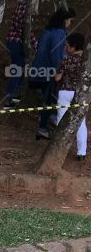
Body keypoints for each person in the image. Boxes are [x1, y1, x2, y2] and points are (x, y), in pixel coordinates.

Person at [33, 7, 76, 140]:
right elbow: (57, 55)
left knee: (48, 99)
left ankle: (46, 122)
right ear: (64, 20)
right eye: (69, 20)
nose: (70, 23)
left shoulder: (47, 30)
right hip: (50, 71)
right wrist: (60, 70)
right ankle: (43, 128)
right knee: (50, 99)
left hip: (39, 69)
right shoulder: (59, 33)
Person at [51, 31, 87, 160]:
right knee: (81, 122)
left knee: (61, 120)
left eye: (67, 45)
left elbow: (57, 78)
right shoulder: (86, 61)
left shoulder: (66, 59)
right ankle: (81, 152)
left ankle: (58, 150)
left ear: (73, 46)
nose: (66, 48)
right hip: (80, 94)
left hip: (65, 92)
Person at [4, 0, 39, 106]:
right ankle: (10, 97)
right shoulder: (24, 10)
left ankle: (14, 97)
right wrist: (35, 44)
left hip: (12, 42)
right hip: (17, 43)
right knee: (17, 70)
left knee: (18, 69)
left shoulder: (18, 7)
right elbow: (25, 31)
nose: (35, 1)